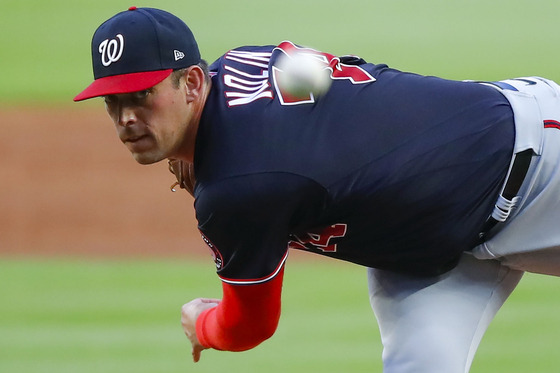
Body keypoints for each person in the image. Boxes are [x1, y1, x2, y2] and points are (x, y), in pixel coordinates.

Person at [74, 7, 560, 372]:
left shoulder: (238, 190)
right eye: (112, 102)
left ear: (193, 82)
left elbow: (249, 327)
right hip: (427, 252)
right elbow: (339, 82)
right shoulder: (242, 63)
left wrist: (202, 323)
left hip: (535, 167)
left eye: (142, 95)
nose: (127, 118)